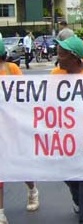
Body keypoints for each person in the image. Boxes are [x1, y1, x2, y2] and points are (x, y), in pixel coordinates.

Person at [51, 35, 83, 224]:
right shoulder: (55, 75)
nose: (58, 57)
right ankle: (78, 200)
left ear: (74, 57)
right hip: (64, 136)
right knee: (69, 175)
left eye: (62, 54)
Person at [0, 40, 40, 224]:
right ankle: (1, 212)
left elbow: (23, 94)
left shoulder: (11, 69)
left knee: (19, 164)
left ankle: (32, 189)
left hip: (11, 125)